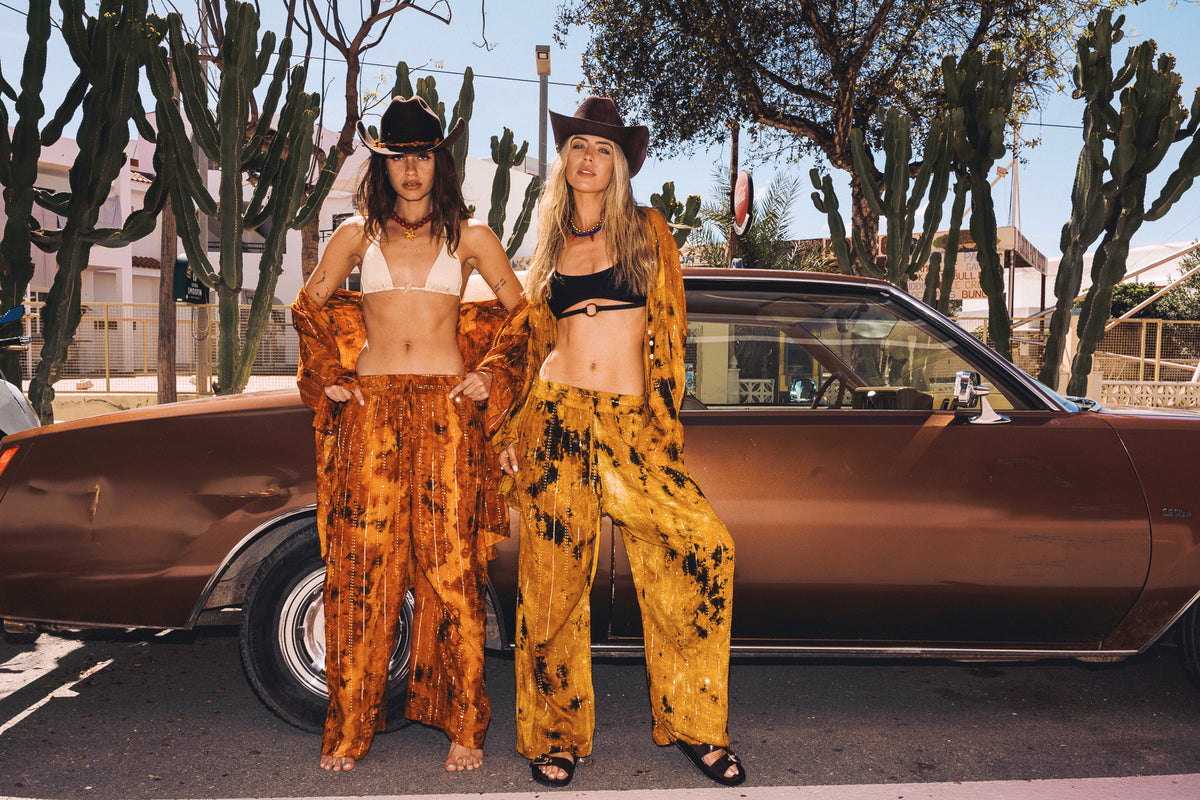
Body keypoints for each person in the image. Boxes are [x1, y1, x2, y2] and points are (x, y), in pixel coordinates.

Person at [477, 96, 746, 788]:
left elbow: (672, 332)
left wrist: (661, 425)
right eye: (576, 148)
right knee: (552, 587)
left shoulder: (648, 231)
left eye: (601, 149)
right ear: (564, 162)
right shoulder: (550, 243)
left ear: (618, 164)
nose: (587, 158)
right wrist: (507, 422)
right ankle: (555, 735)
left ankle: (695, 723)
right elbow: (529, 341)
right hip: (558, 420)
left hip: (630, 427)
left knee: (703, 547)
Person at [290, 95, 523, 774]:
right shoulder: (357, 235)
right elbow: (307, 306)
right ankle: (349, 724)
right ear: (383, 166)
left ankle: (464, 722)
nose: (411, 171)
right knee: (363, 570)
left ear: (439, 160)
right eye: (398, 159)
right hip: (373, 412)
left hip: (447, 415)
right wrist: (329, 373)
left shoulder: (472, 238)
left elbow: (525, 318)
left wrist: (493, 377)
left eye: (422, 156)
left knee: (451, 572)